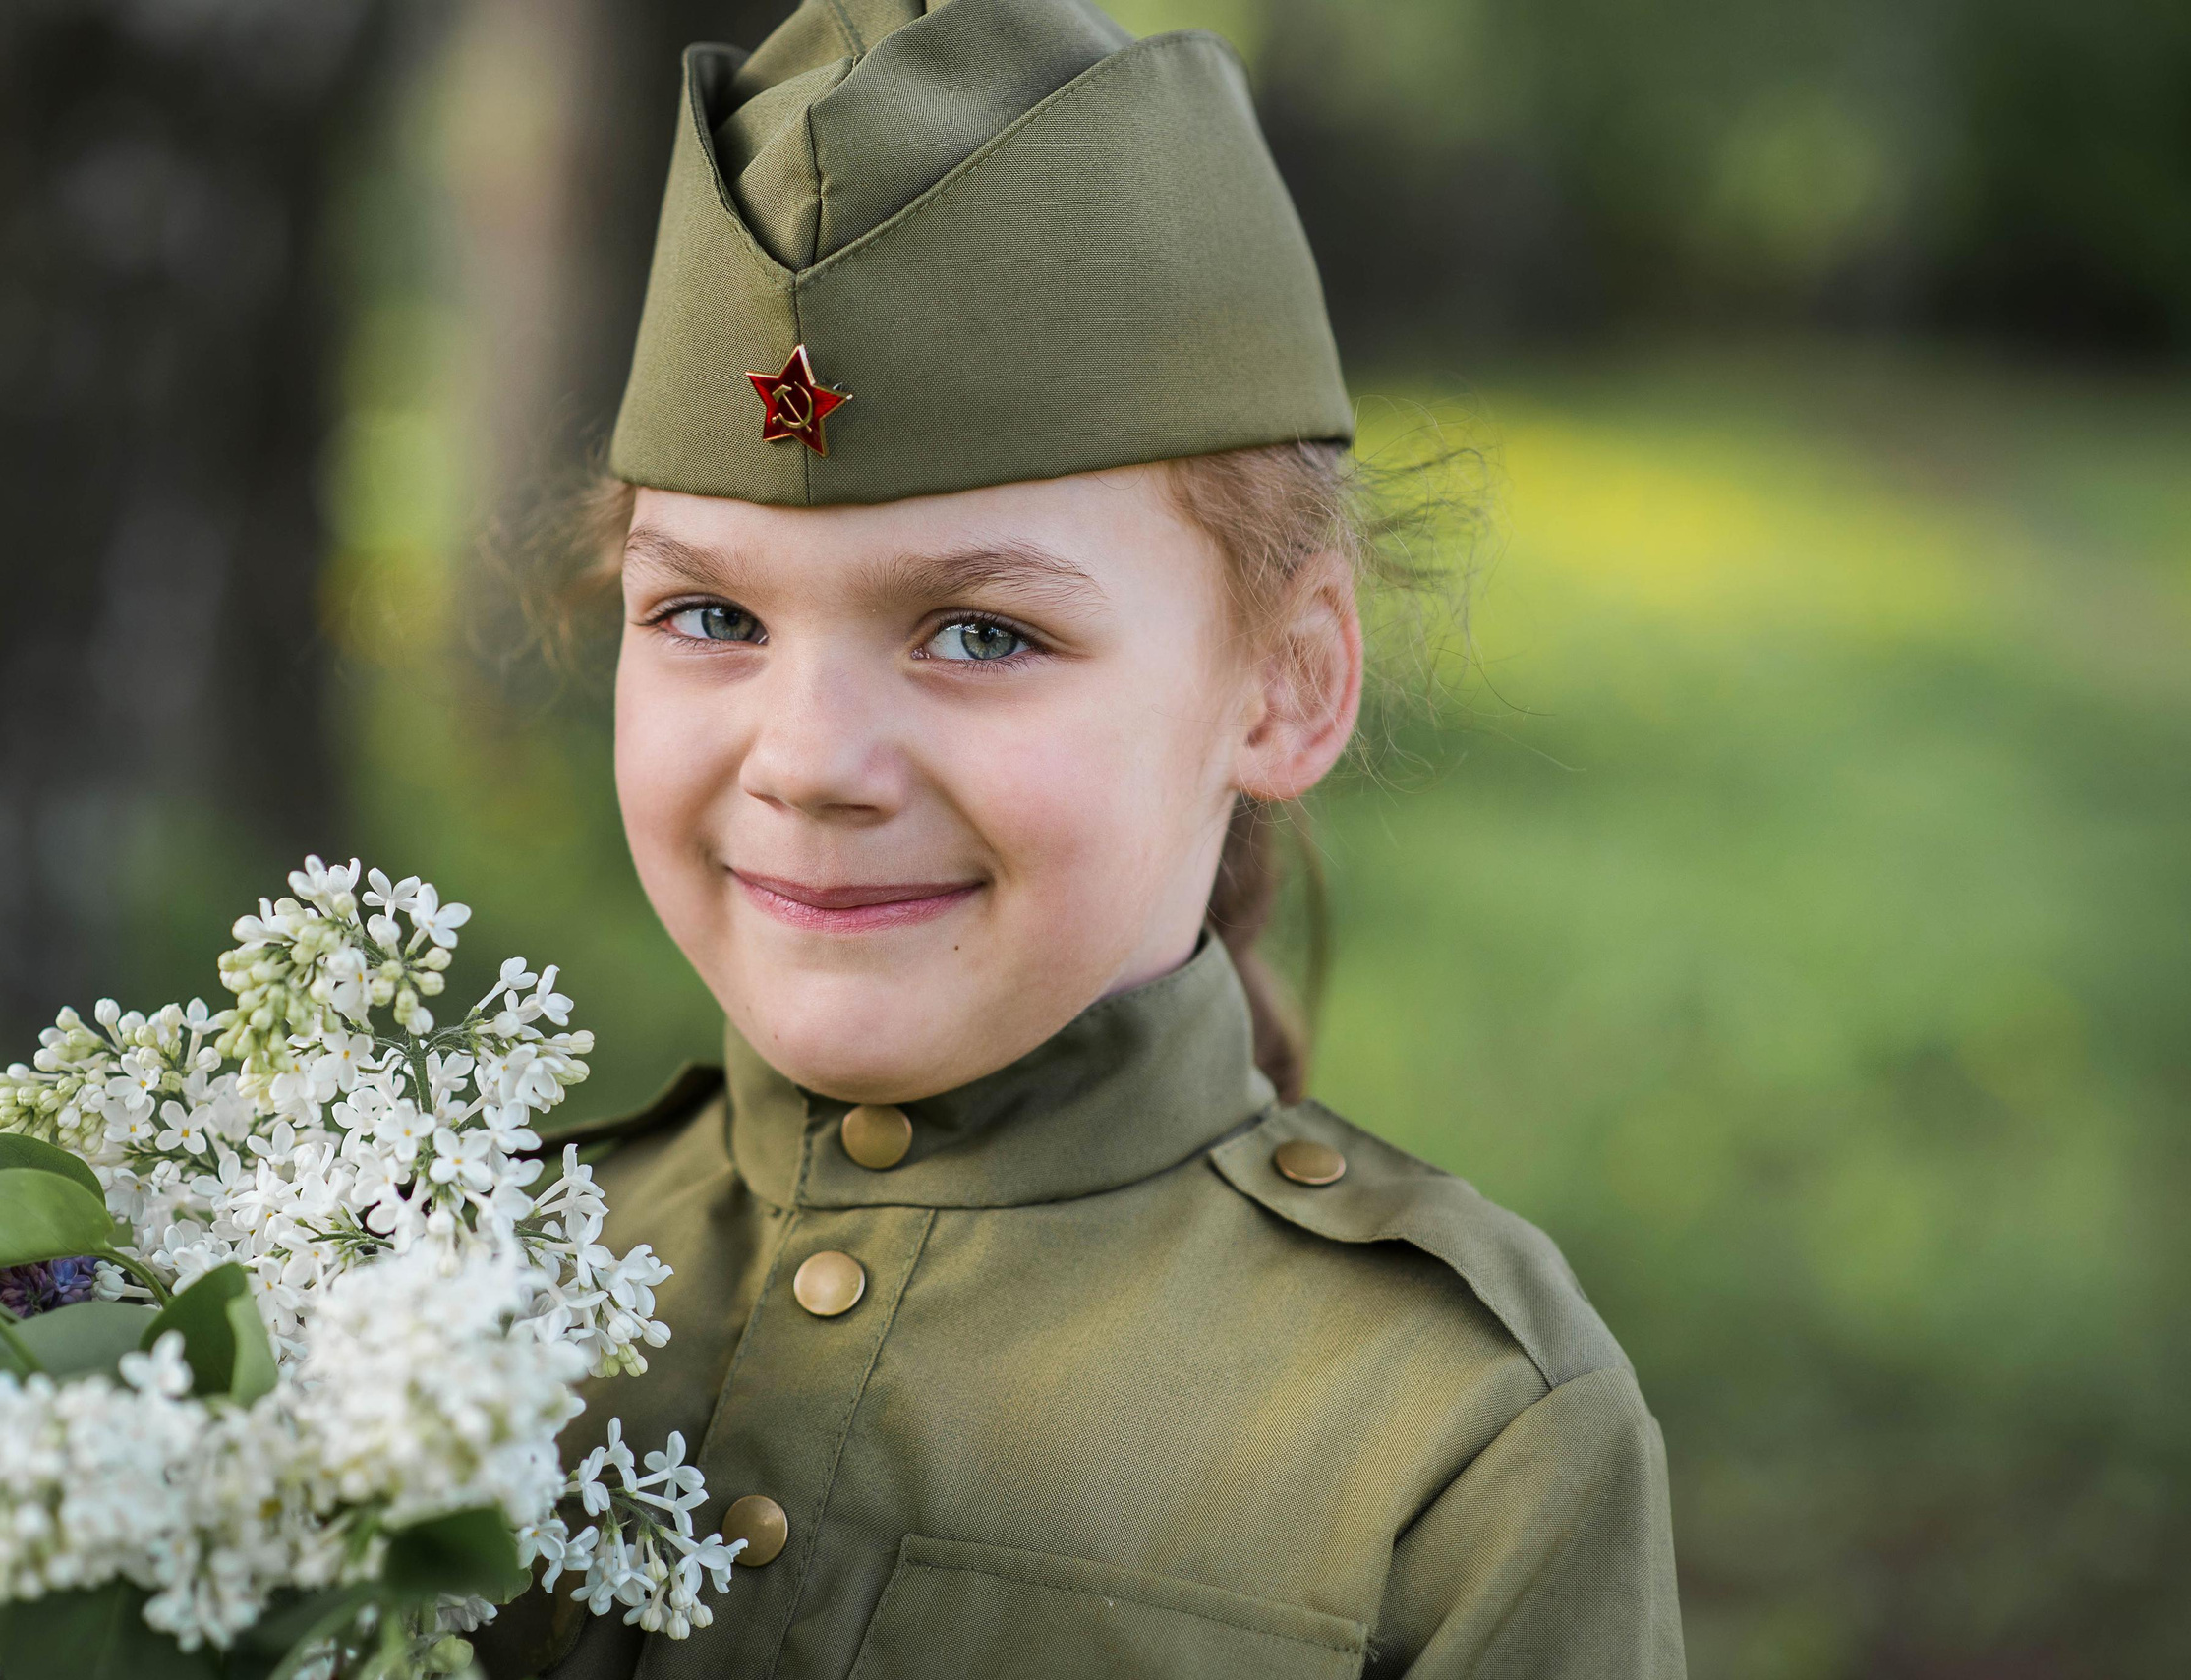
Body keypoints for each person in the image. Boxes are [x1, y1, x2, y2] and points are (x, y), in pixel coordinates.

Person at [478, 1, 1684, 1674]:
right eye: (708, 613)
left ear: (1288, 682)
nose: (809, 762)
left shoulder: (1455, 1441)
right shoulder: (445, 1284)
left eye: (978, 633)